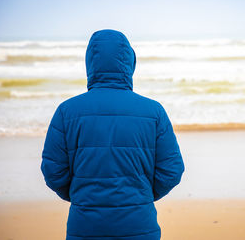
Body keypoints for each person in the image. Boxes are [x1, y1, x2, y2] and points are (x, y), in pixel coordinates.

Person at [40, 29, 185, 240]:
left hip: (84, 228)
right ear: (129, 63)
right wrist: (141, 195)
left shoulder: (67, 111)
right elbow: (171, 170)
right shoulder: (153, 111)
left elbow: (53, 172)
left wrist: (81, 196)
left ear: (90, 63)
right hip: (140, 226)